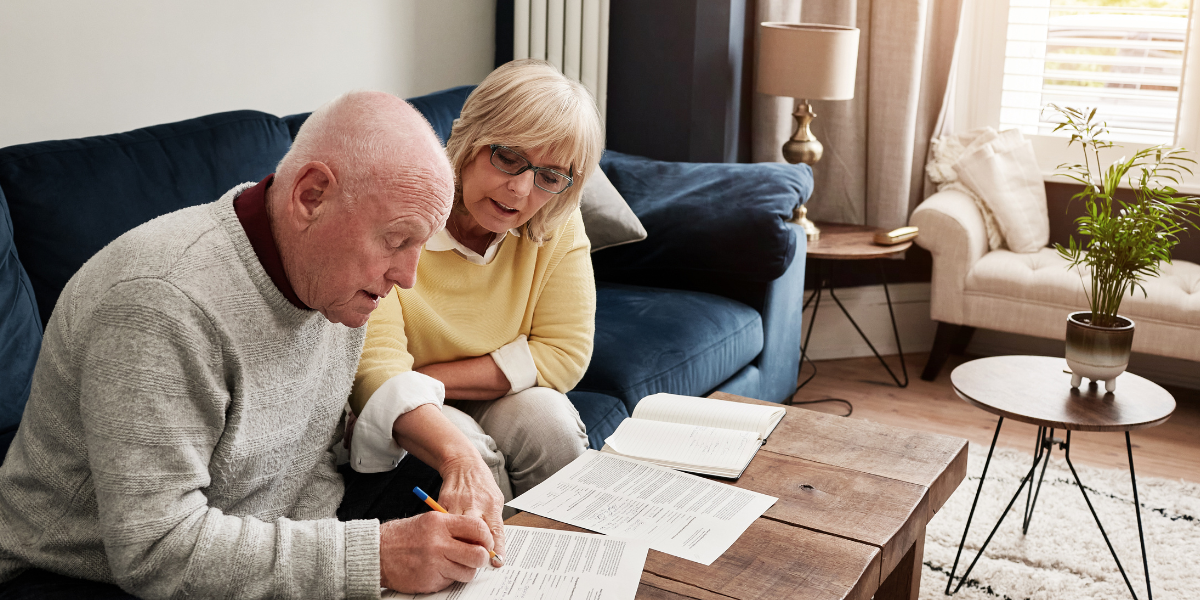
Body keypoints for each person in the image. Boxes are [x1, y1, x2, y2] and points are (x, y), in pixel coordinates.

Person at [0, 91, 506, 599]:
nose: (408, 277)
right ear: (311, 196)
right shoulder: (160, 302)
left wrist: (339, 569)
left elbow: (308, 468)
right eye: (397, 241)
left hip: (230, 539)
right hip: (71, 571)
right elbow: (154, 551)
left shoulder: (331, 283)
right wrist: (375, 559)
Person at [349, 60, 603, 499]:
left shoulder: (556, 222)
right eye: (508, 158)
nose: (522, 191)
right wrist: (424, 387)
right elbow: (378, 370)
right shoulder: (396, 213)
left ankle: (574, 560)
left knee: (551, 422)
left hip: (464, 390)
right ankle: (502, 565)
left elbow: (564, 354)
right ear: (468, 141)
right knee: (469, 452)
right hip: (406, 405)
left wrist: (428, 376)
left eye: (549, 176)